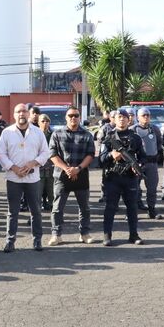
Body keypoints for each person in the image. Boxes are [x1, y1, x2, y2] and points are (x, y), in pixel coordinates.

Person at [0, 103, 50, 252]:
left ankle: (37, 240)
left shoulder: (38, 132)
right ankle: (10, 241)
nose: (21, 114)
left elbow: (45, 153)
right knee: (12, 212)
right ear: (14, 115)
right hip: (13, 178)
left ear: (29, 114)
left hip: (32, 179)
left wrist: (33, 163)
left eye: (24, 111)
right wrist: (14, 168)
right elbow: (1, 154)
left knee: (36, 211)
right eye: (18, 111)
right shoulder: (7, 132)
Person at [48, 105, 96, 246]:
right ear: (66, 117)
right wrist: (67, 169)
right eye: (70, 116)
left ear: (79, 117)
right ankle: (56, 235)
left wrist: (78, 168)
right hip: (62, 175)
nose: (73, 118)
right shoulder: (57, 134)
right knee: (57, 208)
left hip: (81, 174)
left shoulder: (87, 135)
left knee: (84, 207)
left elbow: (90, 154)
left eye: (76, 115)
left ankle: (84, 234)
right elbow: (52, 154)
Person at [100, 109, 145, 246]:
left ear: (128, 119)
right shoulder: (109, 137)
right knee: (110, 207)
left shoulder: (135, 137)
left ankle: (133, 235)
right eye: (119, 117)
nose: (122, 119)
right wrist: (110, 155)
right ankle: (107, 235)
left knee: (132, 207)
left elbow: (143, 157)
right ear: (114, 119)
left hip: (130, 177)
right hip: (113, 177)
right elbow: (101, 159)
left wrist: (138, 165)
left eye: (124, 117)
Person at [133, 107, 163, 219]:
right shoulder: (133, 130)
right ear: (138, 117)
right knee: (133, 189)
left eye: (148, 115)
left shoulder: (155, 129)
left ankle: (151, 210)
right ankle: (132, 212)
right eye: (143, 115)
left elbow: (159, 144)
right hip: (137, 164)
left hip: (151, 163)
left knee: (152, 189)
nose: (146, 117)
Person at [95, 110, 117, 203]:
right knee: (105, 176)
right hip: (107, 154)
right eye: (113, 117)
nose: (114, 118)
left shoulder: (120, 128)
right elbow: (100, 140)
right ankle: (103, 195)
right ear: (110, 118)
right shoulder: (105, 128)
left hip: (117, 156)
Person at [37, 114, 54, 211]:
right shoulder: (34, 134)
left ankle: (50, 203)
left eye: (47, 121)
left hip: (51, 165)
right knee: (38, 189)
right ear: (39, 122)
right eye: (43, 121)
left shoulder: (52, 135)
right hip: (38, 166)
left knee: (50, 188)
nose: (45, 123)